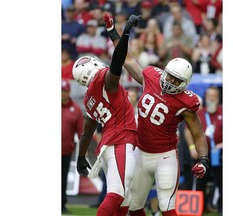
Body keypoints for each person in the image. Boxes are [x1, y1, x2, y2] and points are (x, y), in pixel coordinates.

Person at [103, 13, 209, 216]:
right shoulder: (152, 76)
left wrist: (203, 159)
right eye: (169, 75)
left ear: (184, 83)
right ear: (165, 70)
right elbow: (125, 58)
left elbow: (198, 133)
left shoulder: (186, 102)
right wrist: (114, 33)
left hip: (165, 156)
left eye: (176, 80)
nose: (170, 81)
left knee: (167, 207)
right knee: (134, 205)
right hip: (140, 152)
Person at [73, 15, 140, 216]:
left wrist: (81, 157)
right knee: (118, 194)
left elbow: (87, 133)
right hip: (121, 141)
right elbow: (120, 59)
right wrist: (123, 33)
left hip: (109, 146)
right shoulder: (105, 80)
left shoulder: (88, 98)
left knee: (126, 200)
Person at [184, 86, 223, 215]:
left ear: (218, 98)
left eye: (214, 96)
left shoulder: (223, 112)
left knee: (221, 181)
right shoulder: (199, 113)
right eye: (209, 96)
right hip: (203, 154)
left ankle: (221, 208)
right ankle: (200, 207)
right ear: (206, 98)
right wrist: (191, 147)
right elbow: (187, 131)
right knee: (200, 180)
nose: (211, 98)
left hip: (220, 154)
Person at [61, 79, 84, 214]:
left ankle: (62, 204)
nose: (62, 94)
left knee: (63, 179)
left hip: (66, 150)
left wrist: (83, 149)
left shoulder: (75, 109)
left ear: (68, 91)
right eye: (60, 91)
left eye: (64, 91)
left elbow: (81, 131)